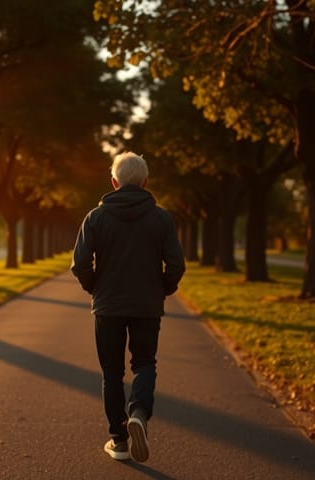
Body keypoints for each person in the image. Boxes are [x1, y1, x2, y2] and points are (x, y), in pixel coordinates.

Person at [71, 151, 186, 463]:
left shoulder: (95, 217)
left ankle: (119, 441)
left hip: (107, 306)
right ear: (145, 182)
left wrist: (94, 286)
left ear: (114, 181)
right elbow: (176, 264)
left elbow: (80, 263)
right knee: (145, 363)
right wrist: (162, 289)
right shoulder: (161, 218)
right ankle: (138, 411)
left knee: (112, 372)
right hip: (147, 306)